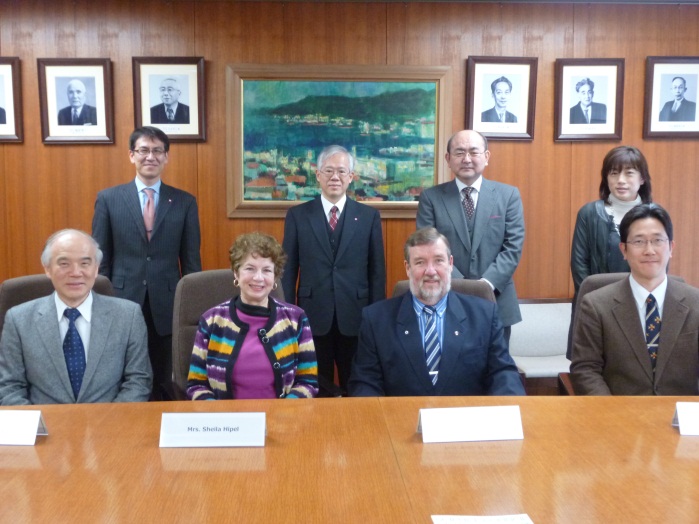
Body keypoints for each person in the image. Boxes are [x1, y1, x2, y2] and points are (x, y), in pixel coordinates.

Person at [92, 126, 201, 400]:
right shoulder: (109, 199)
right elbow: (100, 259)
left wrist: (191, 306)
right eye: (143, 150)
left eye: (157, 151)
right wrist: (101, 300)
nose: (150, 157)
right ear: (131, 155)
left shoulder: (185, 202)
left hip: (167, 303)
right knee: (121, 373)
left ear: (166, 157)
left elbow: (190, 262)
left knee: (163, 377)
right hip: (121, 299)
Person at [348, 228, 524, 397]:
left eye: (438, 260)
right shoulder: (376, 320)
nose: (430, 271)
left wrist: (508, 410)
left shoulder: (484, 315)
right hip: (400, 421)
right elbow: (365, 382)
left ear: (450, 264)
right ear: (407, 268)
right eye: (420, 262)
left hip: (466, 421)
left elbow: (503, 374)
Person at [0, 229, 152, 405]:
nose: (75, 272)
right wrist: (40, 427)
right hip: (45, 427)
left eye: (85, 263)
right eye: (64, 264)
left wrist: (111, 425)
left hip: (109, 425)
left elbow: (139, 382)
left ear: (96, 269)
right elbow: (9, 387)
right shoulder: (18, 319)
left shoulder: (128, 316)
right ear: (47, 269)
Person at [282, 145, 386, 396]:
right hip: (311, 315)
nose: (335, 177)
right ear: (317, 175)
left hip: (357, 315)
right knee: (315, 385)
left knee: (358, 384)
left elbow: (377, 272)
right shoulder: (298, 215)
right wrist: (286, 314)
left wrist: (376, 318)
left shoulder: (369, 216)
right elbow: (287, 270)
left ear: (351, 177)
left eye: (342, 171)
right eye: (328, 170)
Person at [571, 203, 699, 395]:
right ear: (623, 250)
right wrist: (612, 415)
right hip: (619, 415)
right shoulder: (596, 305)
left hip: (681, 416)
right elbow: (585, 370)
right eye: (639, 242)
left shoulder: (695, 302)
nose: (649, 250)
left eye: (657, 240)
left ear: (671, 247)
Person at [416, 129, 525, 341]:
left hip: (496, 300)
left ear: (486, 157)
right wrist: (461, 286)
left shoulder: (508, 195)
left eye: (473, 152)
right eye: (459, 153)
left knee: (495, 370)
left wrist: (485, 285)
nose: (467, 159)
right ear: (448, 159)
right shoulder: (431, 198)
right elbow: (428, 247)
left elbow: (513, 247)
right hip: (445, 299)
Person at [187, 232, 318, 400]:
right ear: (236, 273)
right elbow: (196, 385)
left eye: (267, 270)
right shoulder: (212, 321)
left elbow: (308, 382)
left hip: (282, 419)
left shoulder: (295, 319)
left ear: (275, 276)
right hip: (227, 422)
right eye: (250, 268)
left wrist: (285, 411)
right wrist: (219, 417)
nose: (258, 277)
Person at [567, 146, 653, 358]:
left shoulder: (654, 215)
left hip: (640, 307)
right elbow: (579, 265)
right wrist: (599, 304)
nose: (620, 180)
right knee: (592, 366)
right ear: (606, 178)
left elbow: (658, 266)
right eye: (614, 173)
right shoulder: (589, 213)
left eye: (629, 173)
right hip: (594, 306)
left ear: (642, 178)